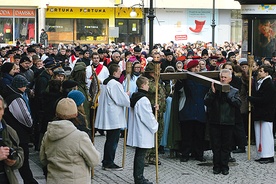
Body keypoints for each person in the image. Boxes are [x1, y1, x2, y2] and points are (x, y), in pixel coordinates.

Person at [40, 98, 101, 183]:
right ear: (76, 114)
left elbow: (43, 159)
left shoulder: (48, 135)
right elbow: (94, 160)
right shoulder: (80, 137)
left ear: (56, 114)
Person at [204, 69, 241, 175]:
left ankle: (225, 167)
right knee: (216, 146)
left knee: (226, 146)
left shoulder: (234, 90)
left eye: (225, 77)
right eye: (222, 77)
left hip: (228, 122)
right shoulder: (214, 89)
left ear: (230, 79)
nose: (223, 79)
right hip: (215, 121)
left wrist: (228, 94)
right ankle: (216, 166)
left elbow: (238, 103)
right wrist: (212, 93)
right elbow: (206, 102)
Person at [3, 75, 38, 183]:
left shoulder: (9, 93)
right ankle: (30, 181)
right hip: (19, 133)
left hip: (14, 131)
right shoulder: (15, 97)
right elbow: (24, 117)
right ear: (20, 86)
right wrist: (30, 126)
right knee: (23, 160)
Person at [94, 64, 130, 171]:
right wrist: (126, 95)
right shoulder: (115, 84)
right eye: (119, 71)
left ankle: (107, 160)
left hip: (108, 112)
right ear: (114, 73)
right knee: (113, 140)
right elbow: (120, 99)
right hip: (113, 115)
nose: (120, 73)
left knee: (110, 139)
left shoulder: (106, 81)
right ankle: (109, 162)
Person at [175, 59, 209, 162]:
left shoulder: (204, 80)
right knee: (187, 134)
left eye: (198, 67)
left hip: (200, 110)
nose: (196, 68)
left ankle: (198, 154)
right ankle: (185, 154)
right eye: (194, 67)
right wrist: (180, 81)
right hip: (187, 109)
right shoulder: (185, 79)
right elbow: (178, 89)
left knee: (199, 134)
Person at [127, 76, 158, 184]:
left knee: (139, 154)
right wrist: (155, 125)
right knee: (141, 155)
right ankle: (139, 178)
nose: (149, 86)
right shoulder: (143, 99)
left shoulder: (136, 96)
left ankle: (138, 176)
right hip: (142, 130)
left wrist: (153, 109)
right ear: (143, 85)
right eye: (148, 84)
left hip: (138, 128)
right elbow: (146, 116)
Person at [248, 65, 276, 164]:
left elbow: (266, 99)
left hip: (266, 113)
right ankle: (262, 154)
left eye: (261, 71)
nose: (259, 72)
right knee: (260, 135)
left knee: (266, 135)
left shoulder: (269, 84)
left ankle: (268, 155)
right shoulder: (262, 82)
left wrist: (251, 99)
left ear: (267, 73)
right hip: (260, 113)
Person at [0, 95, 24, 184]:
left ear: (3, 111)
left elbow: (19, 153)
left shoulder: (9, 131)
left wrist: (14, 161)